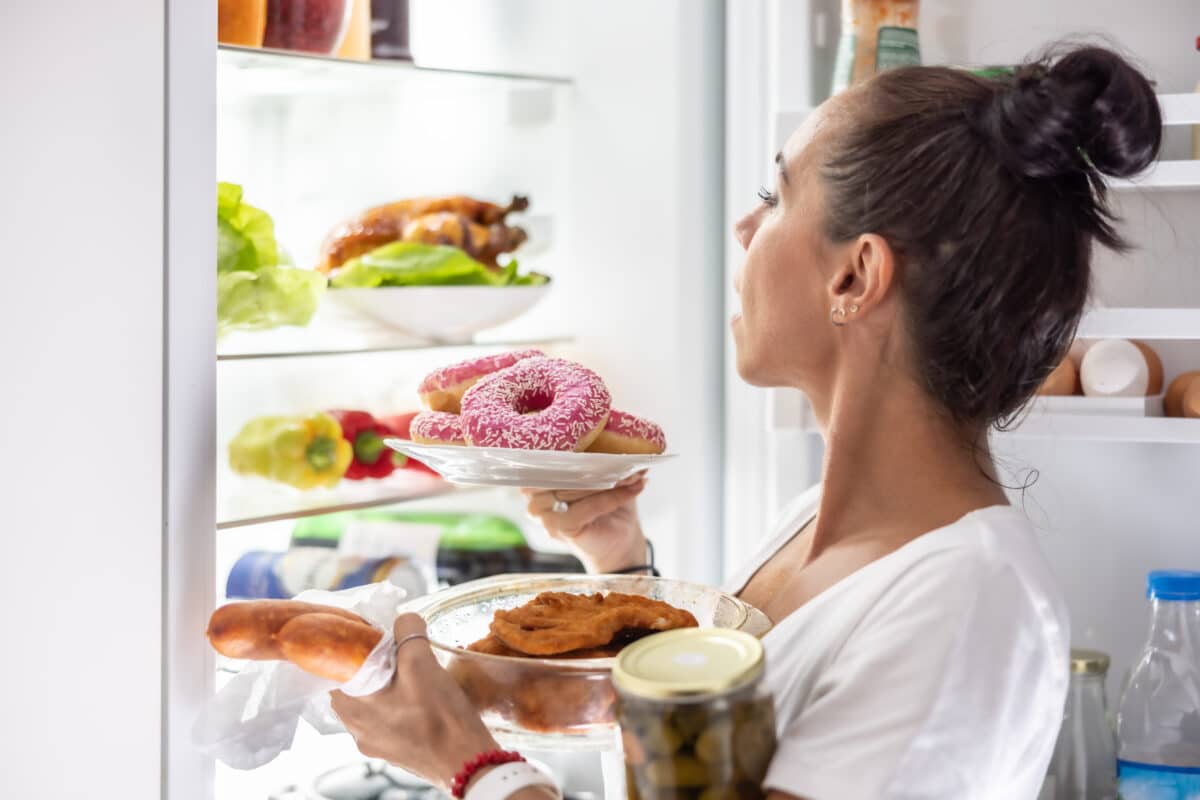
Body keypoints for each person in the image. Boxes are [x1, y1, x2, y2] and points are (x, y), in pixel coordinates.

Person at [331, 43, 1162, 800]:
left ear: (855, 277)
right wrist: (624, 585)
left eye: (776, 195)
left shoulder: (972, 605)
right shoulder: (814, 528)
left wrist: (470, 765)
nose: (743, 228)